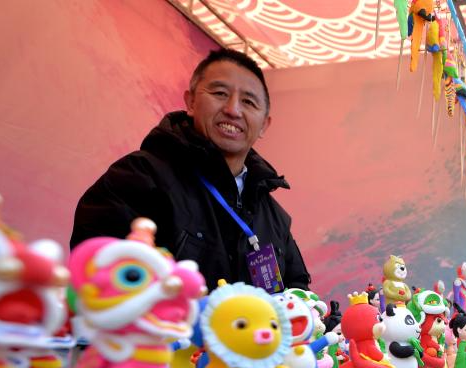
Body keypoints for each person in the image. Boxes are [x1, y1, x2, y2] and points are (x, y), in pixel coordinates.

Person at [72, 48, 311, 290]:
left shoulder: (275, 218)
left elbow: (298, 292)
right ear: (191, 102)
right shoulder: (139, 175)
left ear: (264, 125)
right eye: (220, 93)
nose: (233, 110)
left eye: (248, 102)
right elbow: (99, 276)